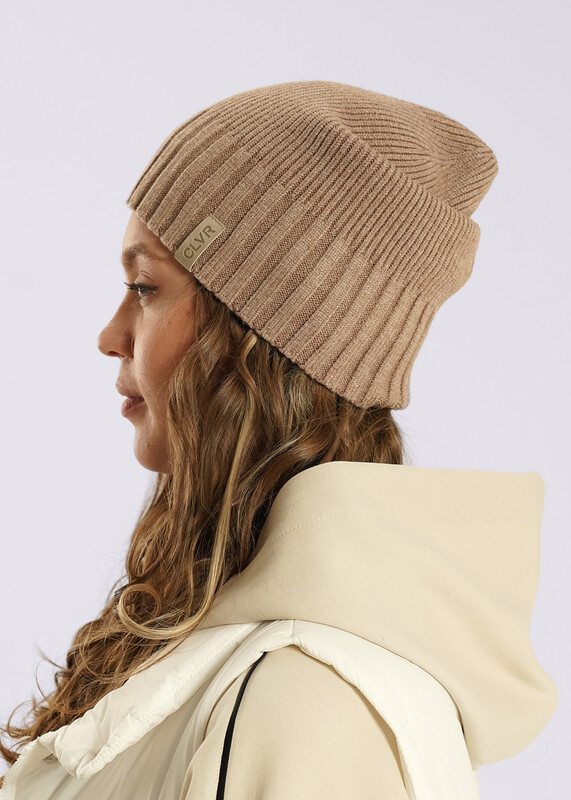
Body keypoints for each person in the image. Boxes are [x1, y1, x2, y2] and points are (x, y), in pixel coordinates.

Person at [0, 80, 558, 799]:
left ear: (254, 337)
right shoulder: (246, 666)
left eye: (145, 287)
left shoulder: (304, 702)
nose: (111, 335)